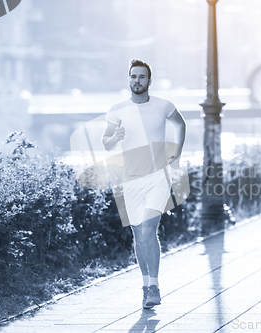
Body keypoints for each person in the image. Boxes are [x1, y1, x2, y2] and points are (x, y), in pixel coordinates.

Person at [102, 59, 186, 309]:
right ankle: (145, 284)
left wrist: (177, 151)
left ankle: (154, 287)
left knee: (149, 229)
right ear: (128, 79)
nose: (137, 81)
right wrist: (114, 137)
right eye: (133, 76)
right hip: (131, 181)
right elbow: (106, 142)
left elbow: (180, 124)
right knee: (139, 234)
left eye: (141, 77)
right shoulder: (117, 110)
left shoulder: (163, 106)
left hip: (158, 177)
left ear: (149, 81)